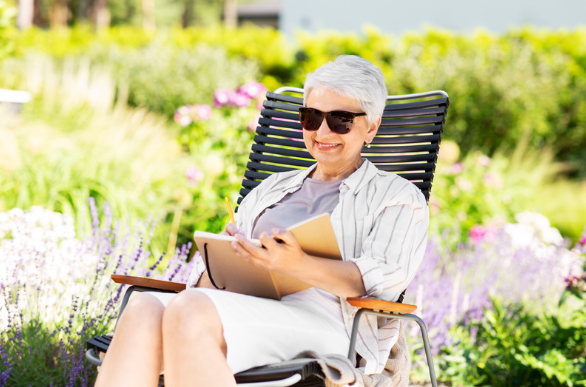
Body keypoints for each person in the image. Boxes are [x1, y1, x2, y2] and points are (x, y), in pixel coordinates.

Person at [95, 55, 429, 387]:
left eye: (340, 120)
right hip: (246, 305)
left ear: (371, 126)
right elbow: (211, 283)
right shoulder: (273, 188)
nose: (322, 131)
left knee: (191, 309)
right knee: (143, 309)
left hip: (330, 323)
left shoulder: (397, 197)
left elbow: (380, 281)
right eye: (311, 117)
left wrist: (296, 263)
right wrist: (228, 261)